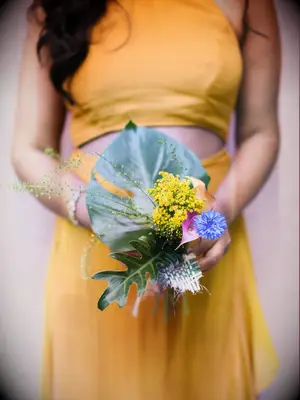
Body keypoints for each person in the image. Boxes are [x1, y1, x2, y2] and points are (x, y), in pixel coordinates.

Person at [12, 0, 280, 399]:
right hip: (93, 253)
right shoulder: (54, 7)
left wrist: (214, 217)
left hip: (210, 249)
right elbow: (29, 148)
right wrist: (96, 210)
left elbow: (261, 130)